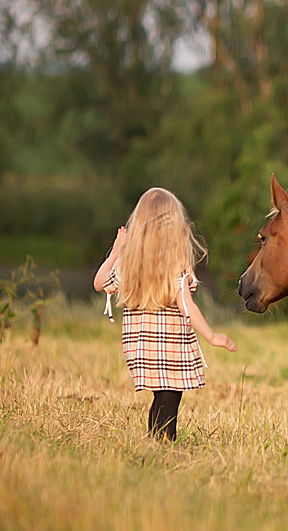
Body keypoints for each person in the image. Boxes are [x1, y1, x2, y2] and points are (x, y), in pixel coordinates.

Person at [93, 187, 236, 441]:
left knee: (161, 398)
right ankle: (162, 443)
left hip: (141, 348)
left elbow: (100, 283)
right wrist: (213, 337)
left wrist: (116, 252)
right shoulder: (173, 265)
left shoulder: (129, 264)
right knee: (168, 400)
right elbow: (187, 306)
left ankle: (156, 442)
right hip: (169, 349)